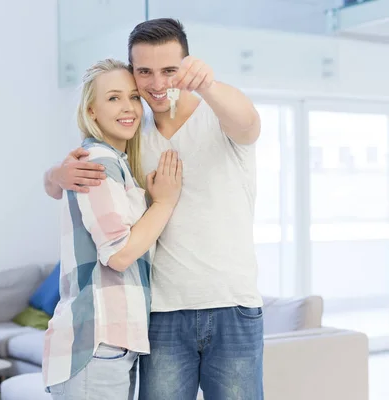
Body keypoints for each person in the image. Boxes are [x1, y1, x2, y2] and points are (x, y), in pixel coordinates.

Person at [44, 19, 264, 400]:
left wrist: (208, 84)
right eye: (144, 72)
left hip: (232, 305)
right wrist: (55, 174)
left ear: (187, 67)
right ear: (133, 73)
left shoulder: (219, 114)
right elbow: (72, 181)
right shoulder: (130, 131)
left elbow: (249, 125)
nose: (158, 84)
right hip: (160, 313)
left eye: (169, 71)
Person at [42, 58, 183, 400]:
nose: (128, 107)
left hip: (108, 342)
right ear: (91, 112)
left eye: (134, 97)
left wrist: (52, 178)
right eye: (114, 98)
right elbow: (119, 254)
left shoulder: (115, 163)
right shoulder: (98, 163)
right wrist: (164, 203)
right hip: (98, 342)